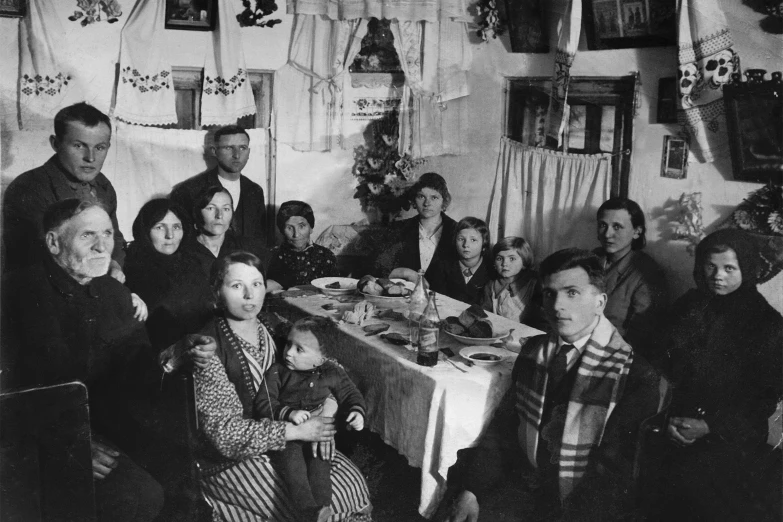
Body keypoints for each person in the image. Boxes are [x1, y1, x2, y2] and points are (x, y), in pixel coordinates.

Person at [0, 199, 216, 522]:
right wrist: (71, 446)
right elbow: (10, 400)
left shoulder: (114, 294)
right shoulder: (15, 294)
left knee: (184, 481)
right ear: (54, 243)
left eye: (108, 234)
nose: (103, 246)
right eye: (88, 236)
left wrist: (172, 355)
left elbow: (137, 374)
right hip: (42, 446)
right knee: (141, 496)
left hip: (107, 429)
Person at [448, 248, 659, 522]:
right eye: (550, 293)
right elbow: (504, 429)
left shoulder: (635, 374)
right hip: (524, 486)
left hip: (580, 507)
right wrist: (472, 489)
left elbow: (612, 475)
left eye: (572, 293)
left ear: (600, 302)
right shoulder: (534, 350)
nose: (558, 306)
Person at [193, 252, 372, 521]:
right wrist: (296, 430)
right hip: (233, 457)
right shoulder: (209, 349)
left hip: (296, 437)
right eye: (236, 285)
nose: (249, 295)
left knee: (351, 486)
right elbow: (224, 435)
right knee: (294, 508)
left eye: (256, 284)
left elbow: (329, 366)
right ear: (217, 292)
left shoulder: (274, 326)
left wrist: (324, 419)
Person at [663, 229, 782, 521]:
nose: (718, 276)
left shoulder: (768, 323)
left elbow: (764, 399)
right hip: (675, 425)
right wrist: (668, 418)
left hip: (733, 437)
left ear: (748, 269)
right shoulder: (688, 306)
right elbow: (661, 368)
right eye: (711, 266)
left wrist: (709, 425)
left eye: (730, 268)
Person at [255, 316, 367, 522]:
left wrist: (357, 411)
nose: (288, 352)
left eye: (300, 349)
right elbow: (264, 403)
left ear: (322, 357)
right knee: (294, 468)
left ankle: (323, 511)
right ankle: (307, 512)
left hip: (317, 432)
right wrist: (288, 413)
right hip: (287, 433)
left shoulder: (332, 372)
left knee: (320, 467)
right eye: (289, 344)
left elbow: (351, 394)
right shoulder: (278, 371)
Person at [2, 102, 126, 280]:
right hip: (43, 289)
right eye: (78, 146)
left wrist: (115, 265)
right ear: (56, 143)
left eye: (99, 147)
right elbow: (45, 256)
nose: (90, 157)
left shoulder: (102, 185)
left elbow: (115, 236)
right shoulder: (29, 188)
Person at [124, 198, 214, 351]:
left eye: (177, 227)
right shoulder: (133, 269)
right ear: (145, 231)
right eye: (160, 227)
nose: (170, 235)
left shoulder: (193, 263)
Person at [594, 198, 668, 369]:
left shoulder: (647, 274)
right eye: (603, 225)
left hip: (614, 359)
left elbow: (642, 339)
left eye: (617, 227)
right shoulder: (591, 259)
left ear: (636, 232)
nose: (607, 234)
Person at [170, 125, 267, 243]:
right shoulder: (189, 190)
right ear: (214, 152)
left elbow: (260, 238)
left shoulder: (254, 190)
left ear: (249, 151)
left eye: (242, 148)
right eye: (228, 148)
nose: (237, 155)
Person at [179, 185, 269, 279]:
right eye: (211, 208)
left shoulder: (245, 246)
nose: (219, 215)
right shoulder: (184, 251)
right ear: (197, 212)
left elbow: (279, 277)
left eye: (226, 209)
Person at [380, 172, 457, 280]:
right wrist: (407, 273)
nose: (427, 203)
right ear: (414, 200)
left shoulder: (457, 231)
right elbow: (377, 267)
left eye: (434, 197)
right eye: (421, 196)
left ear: (444, 201)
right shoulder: (399, 228)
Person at [266, 200, 338, 289]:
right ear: (282, 231)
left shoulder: (326, 256)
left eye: (301, 226)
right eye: (289, 228)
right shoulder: (272, 256)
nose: (296, 234)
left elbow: (335, 289)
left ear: (311, 228)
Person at [426, 217, 492, 304]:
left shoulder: (491, 272)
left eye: (473, 240)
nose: (466, 245)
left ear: (484, 243)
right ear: (455, 241)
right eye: (461, 239)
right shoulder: (442, 267)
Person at [480, 236, 540, 325]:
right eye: (499, 258)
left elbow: (541, 320)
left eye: (512, 259)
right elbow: (484, 312)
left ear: (524, 262)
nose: (504, 263)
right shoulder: (491, 285)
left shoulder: (534, 284)